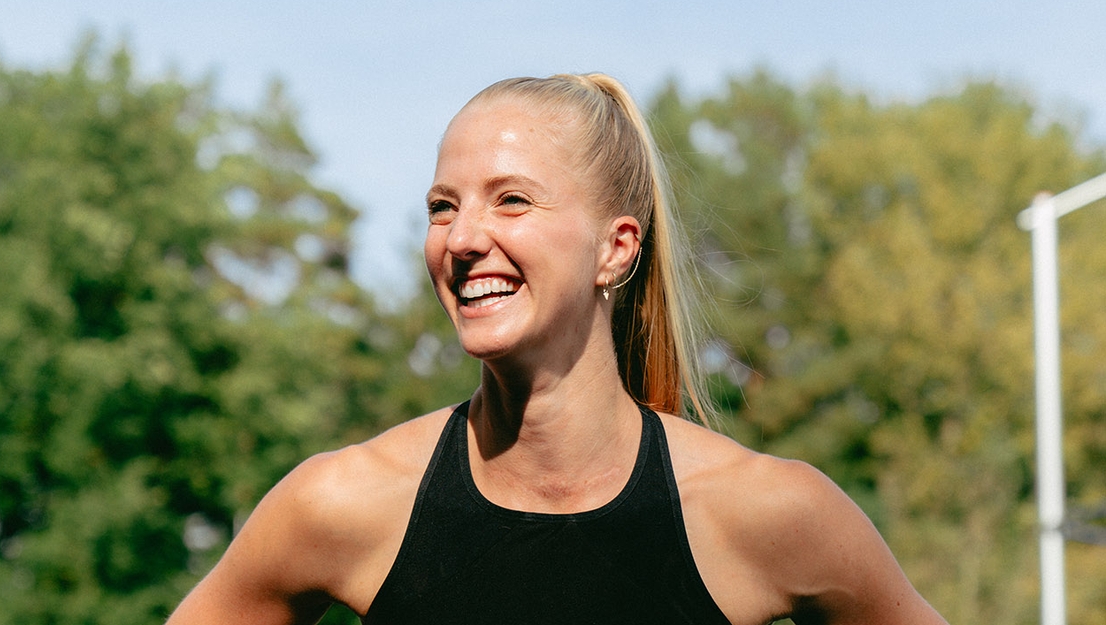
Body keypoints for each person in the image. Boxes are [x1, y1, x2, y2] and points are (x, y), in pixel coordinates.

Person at [166, 73, 948, 625]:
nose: (464, 238)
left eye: (512, 199)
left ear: (615, 249)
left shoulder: (773, 513)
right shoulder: (341, 504)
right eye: (443, 206)